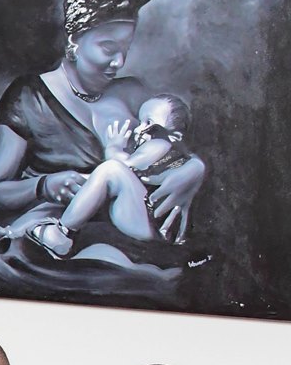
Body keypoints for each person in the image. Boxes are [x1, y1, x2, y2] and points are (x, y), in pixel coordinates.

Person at [0, 0, 206, 267]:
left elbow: (168, 145)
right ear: (75, 40)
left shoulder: (134, 91)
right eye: (108, 49)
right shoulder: (29, 96)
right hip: (53, 240)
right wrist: (44, 185)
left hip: (132, 238)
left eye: (126, 49)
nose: (119, 62)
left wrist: (195, 169)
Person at [26, 95, 196, 260]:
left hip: (152, 226)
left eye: (149, 123)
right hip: (151, 222)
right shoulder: (167, 155)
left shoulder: (161, 144)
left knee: (111, 170)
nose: (138, 129)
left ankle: (62, 235)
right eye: (141, 121)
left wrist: (113, 147)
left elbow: (126, 165)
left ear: (174, 136)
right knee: (100, 178)